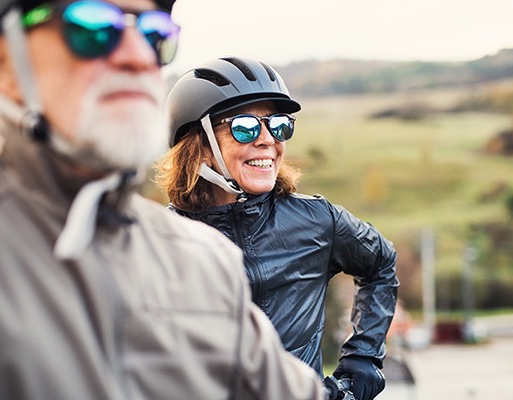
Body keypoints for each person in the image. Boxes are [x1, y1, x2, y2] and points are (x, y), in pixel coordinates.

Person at [0, 1, 326, 399]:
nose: (139, 55)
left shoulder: (205, 262)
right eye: (93, 26)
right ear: (3, 62)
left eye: (154, 33)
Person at [155, 56, 400, 400]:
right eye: (245, 127)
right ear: (201, 147)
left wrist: (363, 359)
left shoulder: (317, 221)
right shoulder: (159, 243)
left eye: (279, 125)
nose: (268, 140)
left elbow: (381, 264)